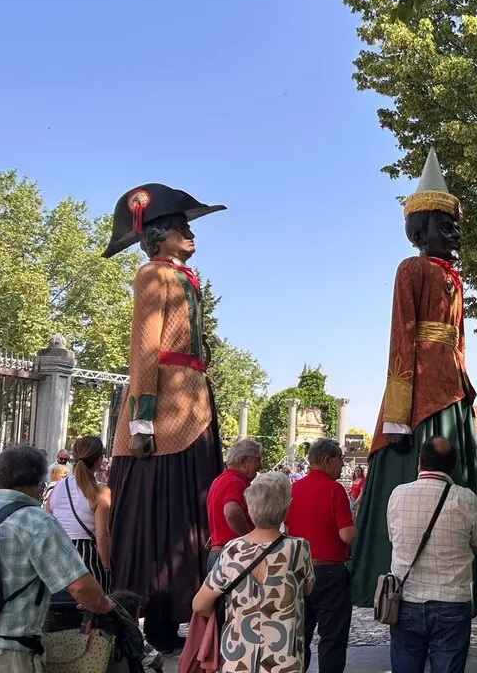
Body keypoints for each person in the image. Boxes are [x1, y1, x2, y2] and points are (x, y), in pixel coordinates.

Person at [350, 149, 477, 615]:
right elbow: (401, 341)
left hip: (452, 390)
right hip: (419, 394)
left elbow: (459, 343)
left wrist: (466, 388)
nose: (453, 233)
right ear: (418, 232)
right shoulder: (411, 269)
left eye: (455, 225)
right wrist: (397, 417)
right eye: (443, 224)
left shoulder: (455, 278)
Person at [103, 183, 226, 651]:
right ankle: (150, 615)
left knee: (187, 516)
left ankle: (177, 611)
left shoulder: (183, 277)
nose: (190, 230)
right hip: (167, 411)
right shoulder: (151, 275)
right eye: (180, 224)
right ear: (156, 235)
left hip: (193, 403)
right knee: (158, 517)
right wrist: (142, 419)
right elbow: (144, 349)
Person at [0, 446, 115, 673]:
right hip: (9, 654)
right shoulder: (37, 522)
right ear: (38, 481)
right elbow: (80, 586)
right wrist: (105, 605)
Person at [193, 472, 315, 673]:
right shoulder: (299, 548)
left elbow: (199, 604)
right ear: (287, 506)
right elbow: (307, 589)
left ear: (249, 508)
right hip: (283, 659)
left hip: (238, 657)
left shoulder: (233, 550)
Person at [387, 438, 477, 672]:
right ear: (453, 466)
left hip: (407, 600)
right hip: (451, 602)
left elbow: (393, 538)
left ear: (420, 463)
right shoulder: (466, 499)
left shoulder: (397, 495)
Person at [284, 438, 356, 673]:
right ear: (327, 461)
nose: (342, 465)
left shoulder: (292, 489)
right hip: (329, 572)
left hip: (298, 571)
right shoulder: (335, 490)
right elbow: (347, 535)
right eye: (340, 460)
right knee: (332, 638)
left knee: (299, 636)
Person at [47, 435, 112, 591]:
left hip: (58, 551)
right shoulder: (101, 491)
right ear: (98, 461)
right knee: (92, 606)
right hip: (85, 554)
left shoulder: (59, 485)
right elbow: (102, 535)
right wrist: (106, 567)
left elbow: (47, 517)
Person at [206, 439, 262, 570]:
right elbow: (231, 512)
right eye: (257, 460)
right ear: (243, 462)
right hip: (233, 555)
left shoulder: (219, 480)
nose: (260, 465)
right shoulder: (235, 482)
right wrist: (250, 539)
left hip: (220, 552)